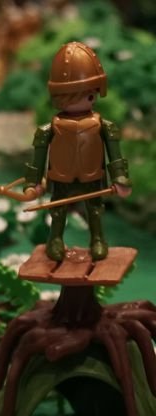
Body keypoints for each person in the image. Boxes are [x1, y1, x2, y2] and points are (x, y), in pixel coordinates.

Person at [22, 41, 131, 262]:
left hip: (93, 174)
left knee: (95, 209)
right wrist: (33, 182)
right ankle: (55, 238)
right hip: (60, 175)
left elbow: (115, 155)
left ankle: (98, 238)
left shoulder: (104, 126)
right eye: (73, 96)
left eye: (88, 95)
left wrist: (120, 178)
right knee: (58, 210)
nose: (83, 100)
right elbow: (38, 158)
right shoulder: (48, 129)